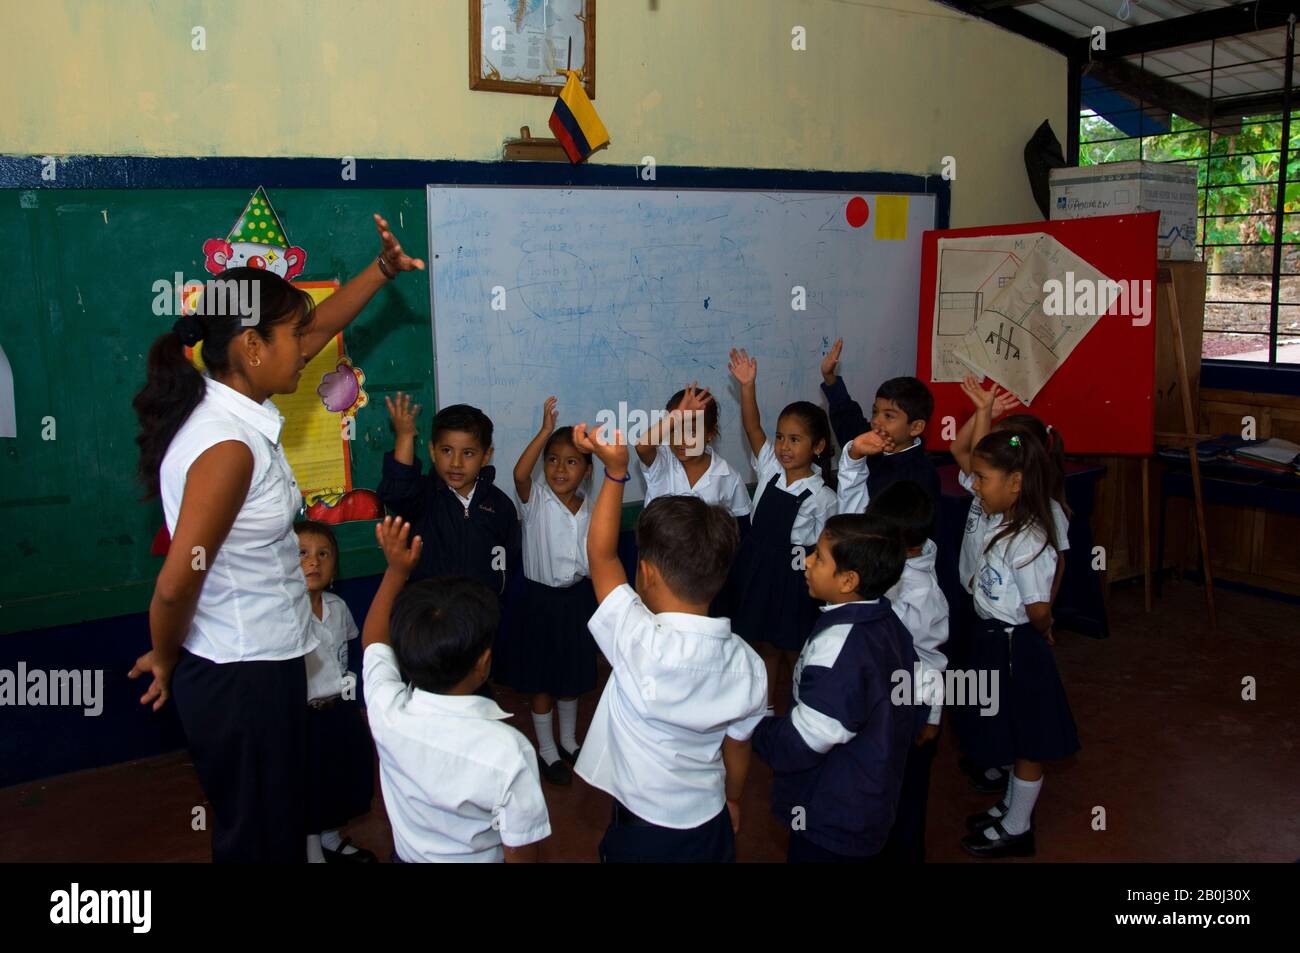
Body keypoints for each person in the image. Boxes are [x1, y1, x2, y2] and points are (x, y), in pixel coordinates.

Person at [129, 215, 423, 862]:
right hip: (242, 676)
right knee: (260, 841)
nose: (309, 343)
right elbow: (178, 579)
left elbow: (318, 327)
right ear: (254, 348)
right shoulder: (228, 448)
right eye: (294, 334)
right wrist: (166, 653)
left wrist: (380, 270)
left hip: (255, 662)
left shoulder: (223, 403)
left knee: (270, 827)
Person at [570, 420, 767, 862]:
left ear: (647, 573)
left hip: (641, 835)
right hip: (709, 825)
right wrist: (732, 799)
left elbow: (599, 555)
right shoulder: (750, 664)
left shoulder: (636, 639)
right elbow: (738, 749)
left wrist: (615, 471)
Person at [362, 517, 551, 863]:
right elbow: (522, 852)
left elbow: (373, 641)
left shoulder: (385, 711)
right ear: (484, 663)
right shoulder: (508, 751)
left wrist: (396, 571)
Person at [752, 513, 924, 863]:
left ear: (847, 581)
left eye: (818, 556)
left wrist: (752, 727)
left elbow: (803, 741)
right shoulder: (888, 623)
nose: (807, 561)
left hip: (831, 817)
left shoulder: (840, 649)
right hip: (870, 795)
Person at [959, 432, 1081, 859]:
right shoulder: (1001, 519)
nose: (974, 485)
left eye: (982, 478)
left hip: (1018, 650)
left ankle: (1018, 827)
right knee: (1008, 732)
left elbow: (1039, 608)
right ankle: (1011, 805)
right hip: (994, 643)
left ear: (1015, 482)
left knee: (1029, 740)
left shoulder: (1029, 538)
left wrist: (1043, 630)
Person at [726, 347, 837, 708]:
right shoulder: (771, 470)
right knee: (764, 642)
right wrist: (747, 386)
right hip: (758, 565)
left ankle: (801, 707)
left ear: (818, 446)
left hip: (793, 573)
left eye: (795, 439)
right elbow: (752, 425)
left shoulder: (822, 496)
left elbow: (824, 546)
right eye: (781, 437)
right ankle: (765, 706)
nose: (784, 447)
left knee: (794, 643)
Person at [495, 397, 598, 786]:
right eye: (552, 459)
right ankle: (547, 749)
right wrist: (543, 431)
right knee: (540, 680)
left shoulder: (591, 509)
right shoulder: (535, 500)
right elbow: (521, 475)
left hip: (575, 602)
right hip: (536, 602)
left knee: (569, 677)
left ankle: (569, 740)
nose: (559, 468)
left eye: (572, 461)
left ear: (587, 470)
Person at [295, 520, 376, 863]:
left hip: (338, 710)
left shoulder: (338, 608)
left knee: (340, 775)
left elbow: (346, 658)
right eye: (302, 554)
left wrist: (353, 703)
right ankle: (312, 852)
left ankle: (330, 837)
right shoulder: (284, 616)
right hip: (302, 717)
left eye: (323, 554)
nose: (313, 561)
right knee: (308, 786)